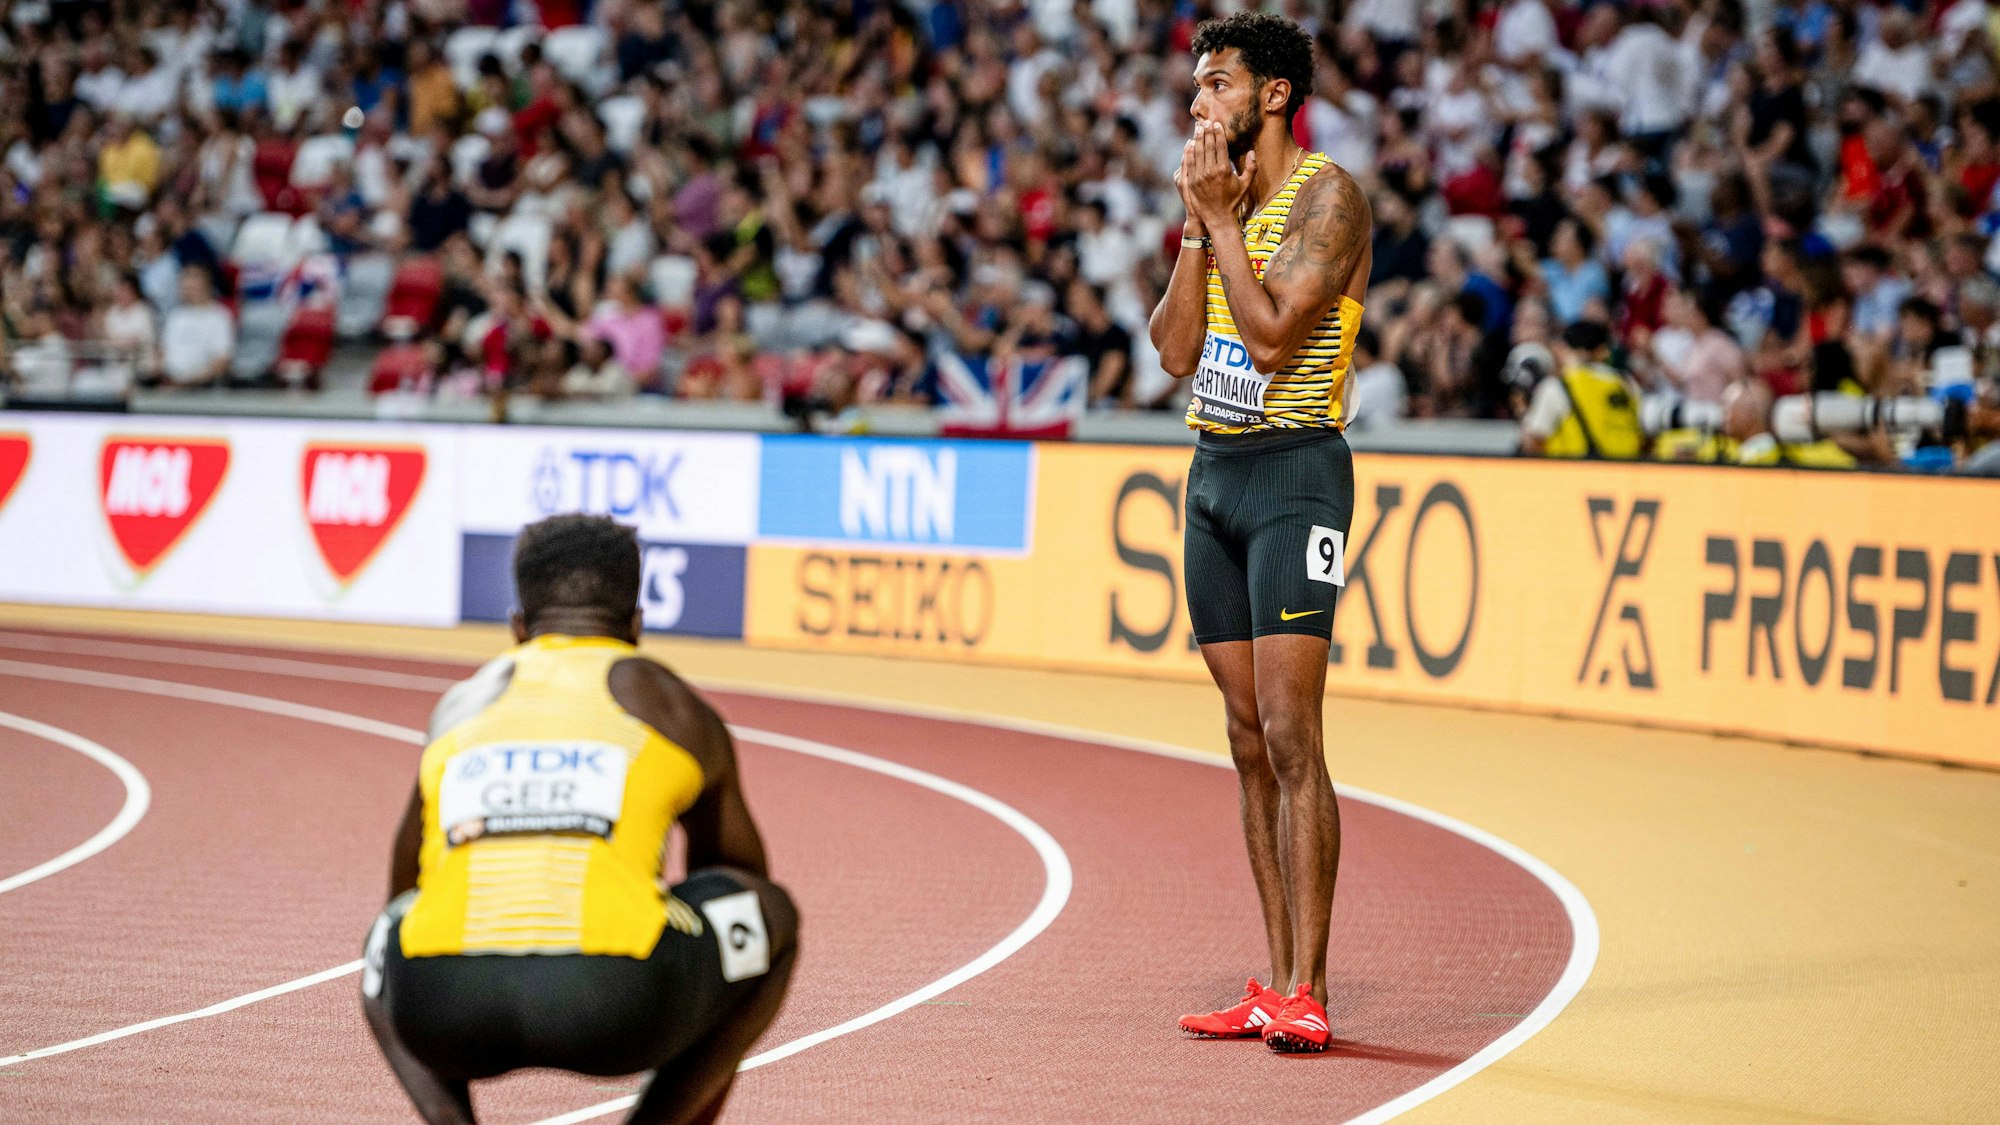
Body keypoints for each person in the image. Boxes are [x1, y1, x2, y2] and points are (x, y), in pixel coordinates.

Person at [361, 515, 798, 1125]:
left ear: (518, 627)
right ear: (636, 626)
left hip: (444, 1008)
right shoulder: (672, 704)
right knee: (771, 914)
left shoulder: (458, 707)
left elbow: (403, 888)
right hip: (615, 1007)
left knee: (386, 933)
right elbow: (733, 875)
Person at [1147, 11, 1371, 1055]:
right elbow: (1175, 352)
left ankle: (1308, 988)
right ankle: (1272, 979)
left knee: (1290, 734)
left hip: (1294, 476)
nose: (1199, 103)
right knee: (1243, 738)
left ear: (1273, 94)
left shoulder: (1328, 197)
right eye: (1196, 86)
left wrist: (1223, 225)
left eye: (1217, 84)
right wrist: (1199, 229)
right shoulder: (1216, 201)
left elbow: (1277, 340)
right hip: (1213, 477)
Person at [1518, 319, 1645, 458]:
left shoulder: (1559, 385)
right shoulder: (1627, 383)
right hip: (1628, 468)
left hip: (1575, 468)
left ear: (1564, 349)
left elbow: (1533, 440)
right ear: (1604, 351)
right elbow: (1644, 435)